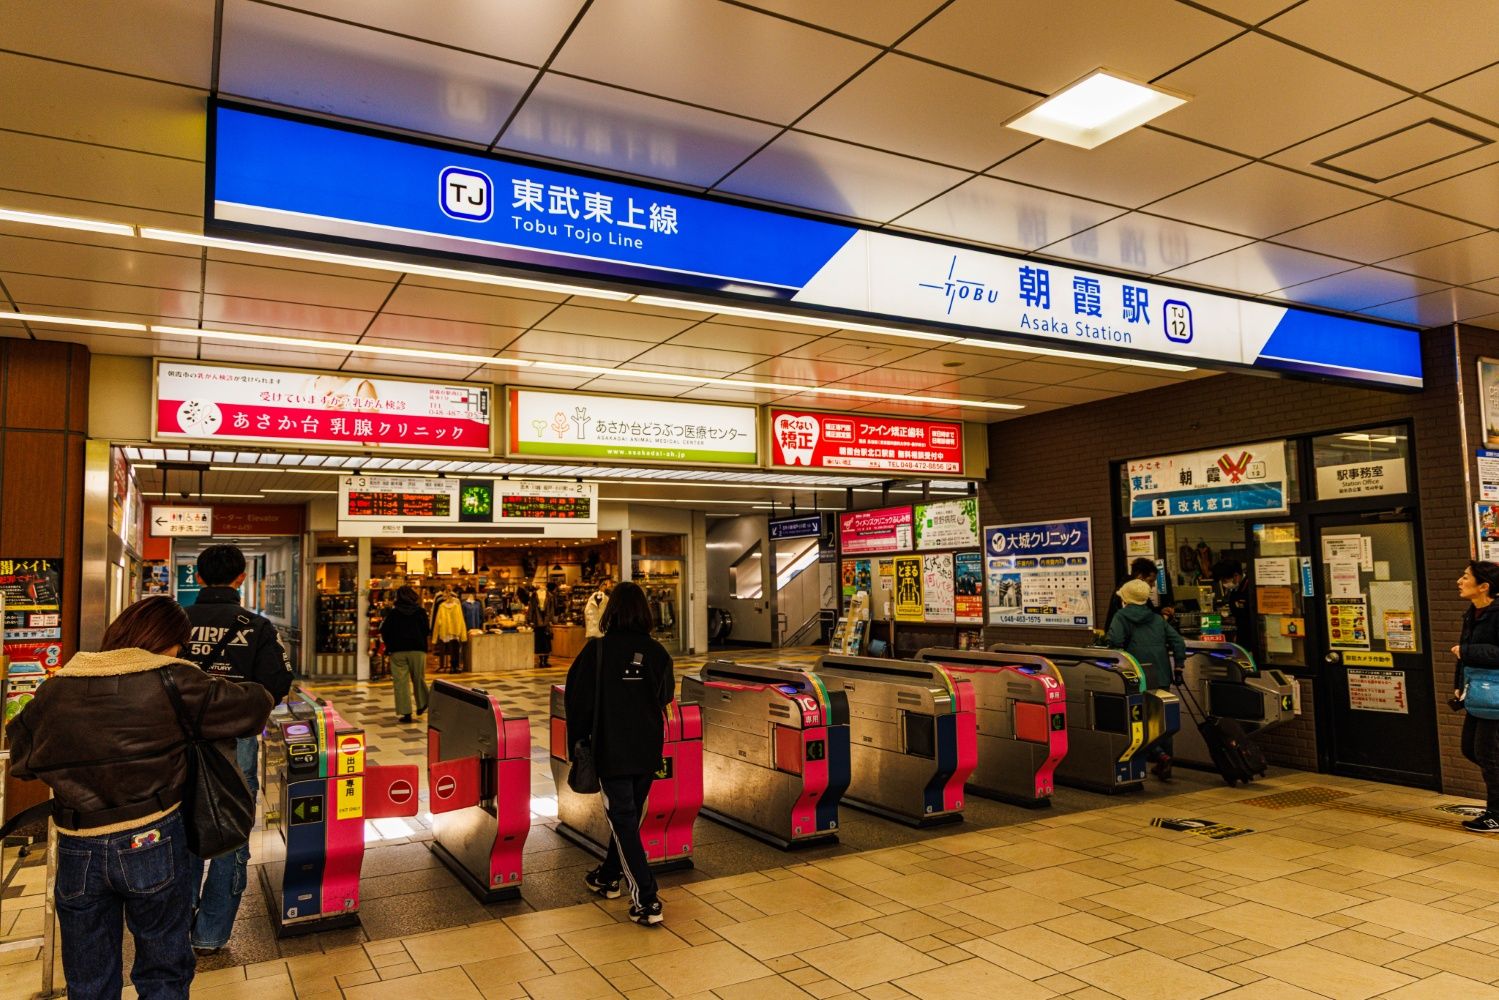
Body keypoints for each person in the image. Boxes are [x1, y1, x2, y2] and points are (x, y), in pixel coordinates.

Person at [7, 597, 272, 1000]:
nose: (179, 654)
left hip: (78, 846)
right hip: (152, 838)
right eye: (179, 646)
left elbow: (23, 760)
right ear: (167, 642)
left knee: (88, 979)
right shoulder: (172, 680)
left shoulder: (56, 688)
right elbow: (254, 707)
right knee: (163, 970)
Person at [182, 543, 294, 955]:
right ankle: (210, 934)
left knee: (181, 829)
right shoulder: (257, 626)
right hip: (236, 744)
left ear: (197, 577)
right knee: (230, 833)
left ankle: (176, 927)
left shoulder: (177, 622)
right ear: (242, 578)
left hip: (178, 743)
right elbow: (277, 684)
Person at [564, 581, 673, 926]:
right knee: (627, 818)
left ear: (611, 612)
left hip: (612, 750)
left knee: (624, 819)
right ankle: (607, 876)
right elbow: (665, 696)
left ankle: (647, 899)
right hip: (647, 748)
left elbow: (577, 703)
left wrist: (578, 745)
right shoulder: (658, 653)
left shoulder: (596, 652)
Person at [1106, 578, 1188, 780]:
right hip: (1161, 674)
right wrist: (1178, 665)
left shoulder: (1121, 616)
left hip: (1137, 674)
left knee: (1138, 719)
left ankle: (1159, 755)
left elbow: (1114, 641)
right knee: (1164, 719)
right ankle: (1167, 759)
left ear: (1126, 598)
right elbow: (1178, 641)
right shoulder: (1157, 618)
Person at [1455, 561, 1499, 832]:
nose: (1460, 581)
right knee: (1470, 749)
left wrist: (1467, 652)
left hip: (1496, 696)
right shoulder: (1472, 612)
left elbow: (1467, 651)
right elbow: (1465, 654)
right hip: (1477, 693)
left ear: (1484, 586)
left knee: (1489, 754)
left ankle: (1495, 814)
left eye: (1465, 577)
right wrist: (1458, 685)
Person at [380, 586, 430, 722]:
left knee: (401, 682)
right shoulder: (420, 612)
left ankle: (406, 713)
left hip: (398, 651)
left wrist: (390, 646)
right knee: (419, 678)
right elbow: (426, 630)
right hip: (417, 650)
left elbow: (385, 631)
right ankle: (423, 703)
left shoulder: (394, 614)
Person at [1104, 558, 1161, 632]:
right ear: (1140, 577)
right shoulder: (1128, 594)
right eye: (1150, 581)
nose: (1153, 585)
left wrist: (1160, 611)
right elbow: (1142, 618)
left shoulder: (1133, 591)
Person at [1214, 558, 1255, 647]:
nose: (1224, 584)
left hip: (1252, 636)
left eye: (1225, 581)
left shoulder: (1251, 587)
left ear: (1236, 576)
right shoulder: (1234, 590)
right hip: (1241, 633)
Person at [527, 584, 554, 668]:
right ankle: (541, 661)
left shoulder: (549, 595)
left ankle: (545, 661)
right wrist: (529, 619)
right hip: (537, 621)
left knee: (546, 641)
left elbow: (551, 608)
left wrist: (550, 620)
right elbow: (531, 607)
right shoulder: (534, 595)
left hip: (546, 620)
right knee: (539, 641)